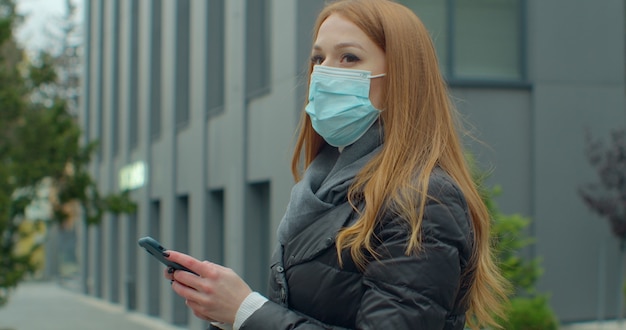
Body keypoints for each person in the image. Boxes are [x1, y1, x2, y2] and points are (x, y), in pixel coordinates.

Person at [164, 0, 509, 329]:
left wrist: (247, 311)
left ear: (403, 77)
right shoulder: (322, 187)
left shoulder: (424, 199)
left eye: (349, 57)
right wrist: (229, 315)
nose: (324, 73)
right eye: (318, 58)